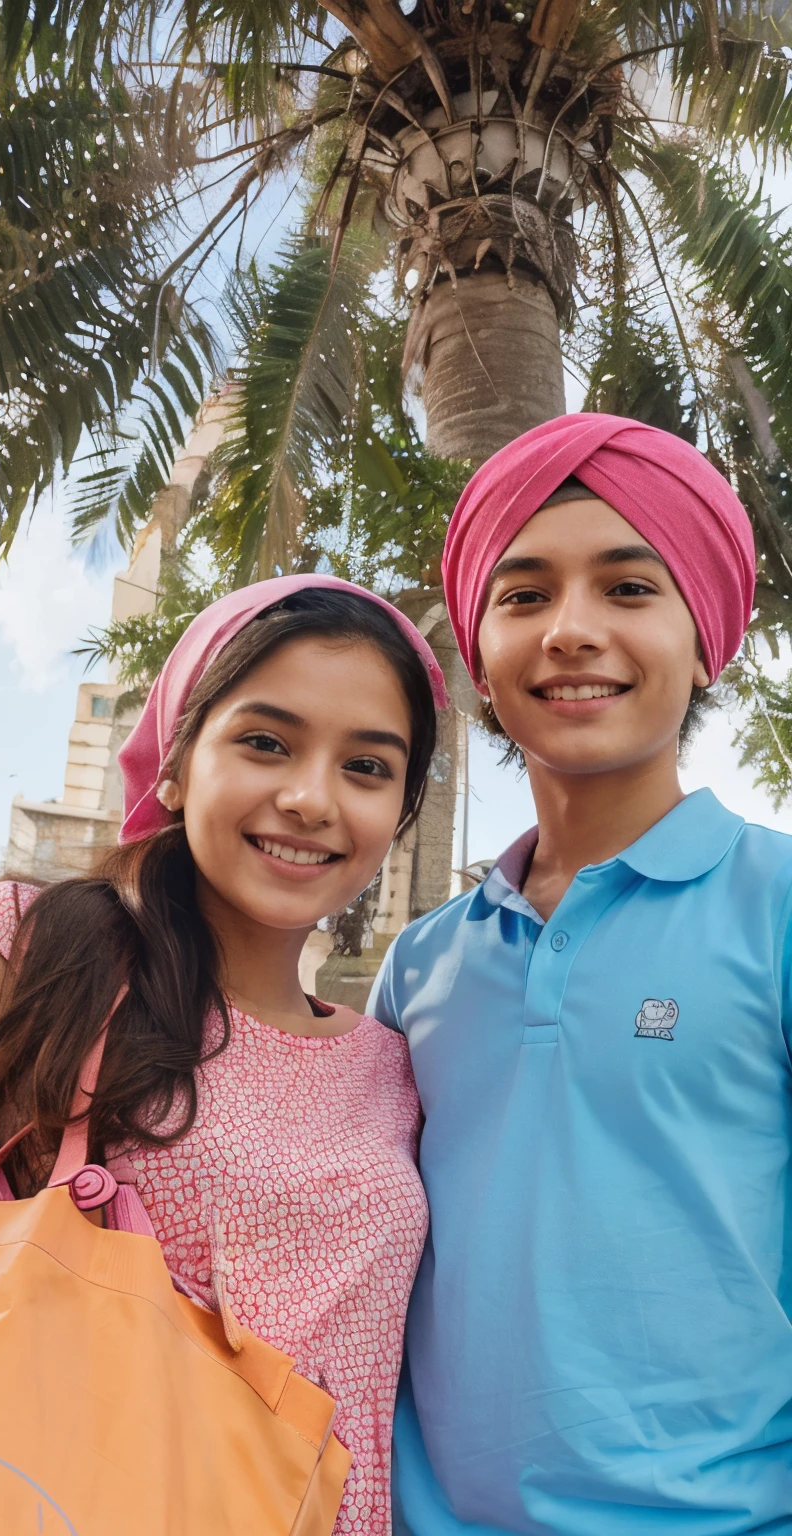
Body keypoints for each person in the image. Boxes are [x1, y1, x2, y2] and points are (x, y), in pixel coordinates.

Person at [0, 573, 446, 1536]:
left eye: (367, 768)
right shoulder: (35, 948)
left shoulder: (394, 1068)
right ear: (174, 766)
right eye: (265, 742)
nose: (309, 798)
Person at [369, 414, 792, 1534]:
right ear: (476, 653)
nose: (571, 631)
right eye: (523, 594)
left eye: (628, 588)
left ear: (707, 637)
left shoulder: (779, 910)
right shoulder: (419, 966)